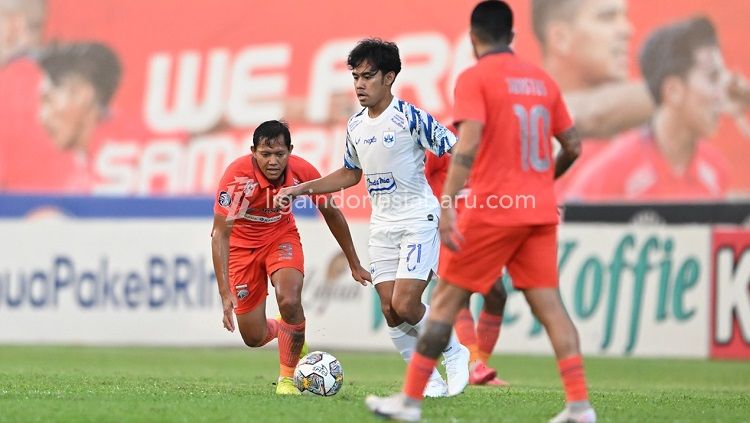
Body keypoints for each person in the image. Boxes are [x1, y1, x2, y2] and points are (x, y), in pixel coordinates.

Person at [365, 2, 595, 422]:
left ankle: (410, 402)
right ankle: (579, 406)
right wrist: (543, 185)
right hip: (537, 211)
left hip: (491, 210)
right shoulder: (544, 81)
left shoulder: (475, 77)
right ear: (512, 36)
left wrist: (449, 205)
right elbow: (574, 145)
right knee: (552, 309)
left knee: (445, 303)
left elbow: (465, 147)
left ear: (474, 37)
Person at [275, 39, 470, 398]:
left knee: (406, 305)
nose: (360, 85)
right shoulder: (355, 126)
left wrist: (450, 200)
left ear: (389, 77)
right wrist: (302, 189)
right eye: (355, 77)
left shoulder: (410, 117)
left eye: (368, 76)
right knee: (390, 312)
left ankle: (455, 351)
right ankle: (429, 380)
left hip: (417, 218)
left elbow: (456, 149)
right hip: (383, 225)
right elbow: (350, 174)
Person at [211, 120, 370, 395]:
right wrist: (225, 293)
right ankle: (287, 331)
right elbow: (219, 235)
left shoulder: (302, 171)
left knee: (290, 298)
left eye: (280, 154)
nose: (273, 161)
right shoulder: (237, 178)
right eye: (265, 154)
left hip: (280, 237)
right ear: (253, 151)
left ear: (290, 151)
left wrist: (354, 263)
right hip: (241, 248)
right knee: (253, 337)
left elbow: (331, 212)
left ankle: (287, 379)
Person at [567, 17, 735, 201]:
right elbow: (568, 221)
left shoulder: (716, 169)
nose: (722, 94)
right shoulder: (616, 168)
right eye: (712, 79)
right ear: (673, 91)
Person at [425, 153, 509, 387]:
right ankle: (474, 364)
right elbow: (420, 176)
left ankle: (478, 364)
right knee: (459, 297)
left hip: (484, 229)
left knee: (497, 294)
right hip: (451, 230)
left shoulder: (490, 138)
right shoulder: (439, 139)